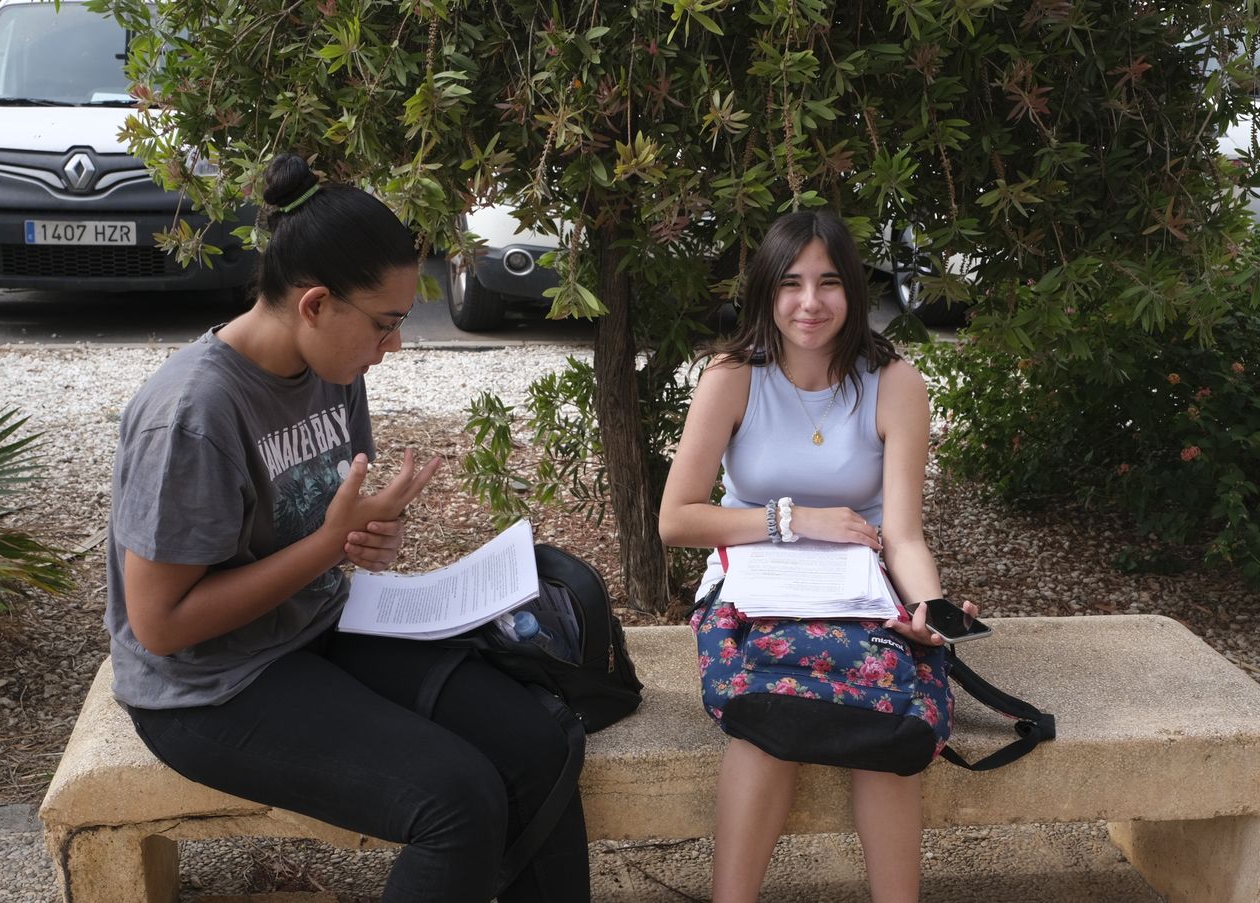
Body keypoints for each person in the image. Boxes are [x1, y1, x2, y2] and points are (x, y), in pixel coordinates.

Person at [104, 153, 590, 903]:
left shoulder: (333, 370)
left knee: (540, 742)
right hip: (208, 689)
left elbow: (322, 532)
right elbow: (162, 625)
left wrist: (363, 539)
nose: (391, 346)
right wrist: (328, 545)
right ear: (315, 303)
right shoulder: (193, 415)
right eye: (386, 324)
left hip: (313, 626)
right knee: (457, 801)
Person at [657, 210, 980, 903]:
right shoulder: (733, 375)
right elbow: (676, 518)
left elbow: (904, 533)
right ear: (767, 292)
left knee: (890, 709)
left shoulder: (895, 382)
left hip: (858, 588)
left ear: (854, 290)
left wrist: (930, 605)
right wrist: (791, 518)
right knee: (765, 707)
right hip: (752, 584)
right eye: (792, 283)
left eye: (829, 282)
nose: (810, 302)